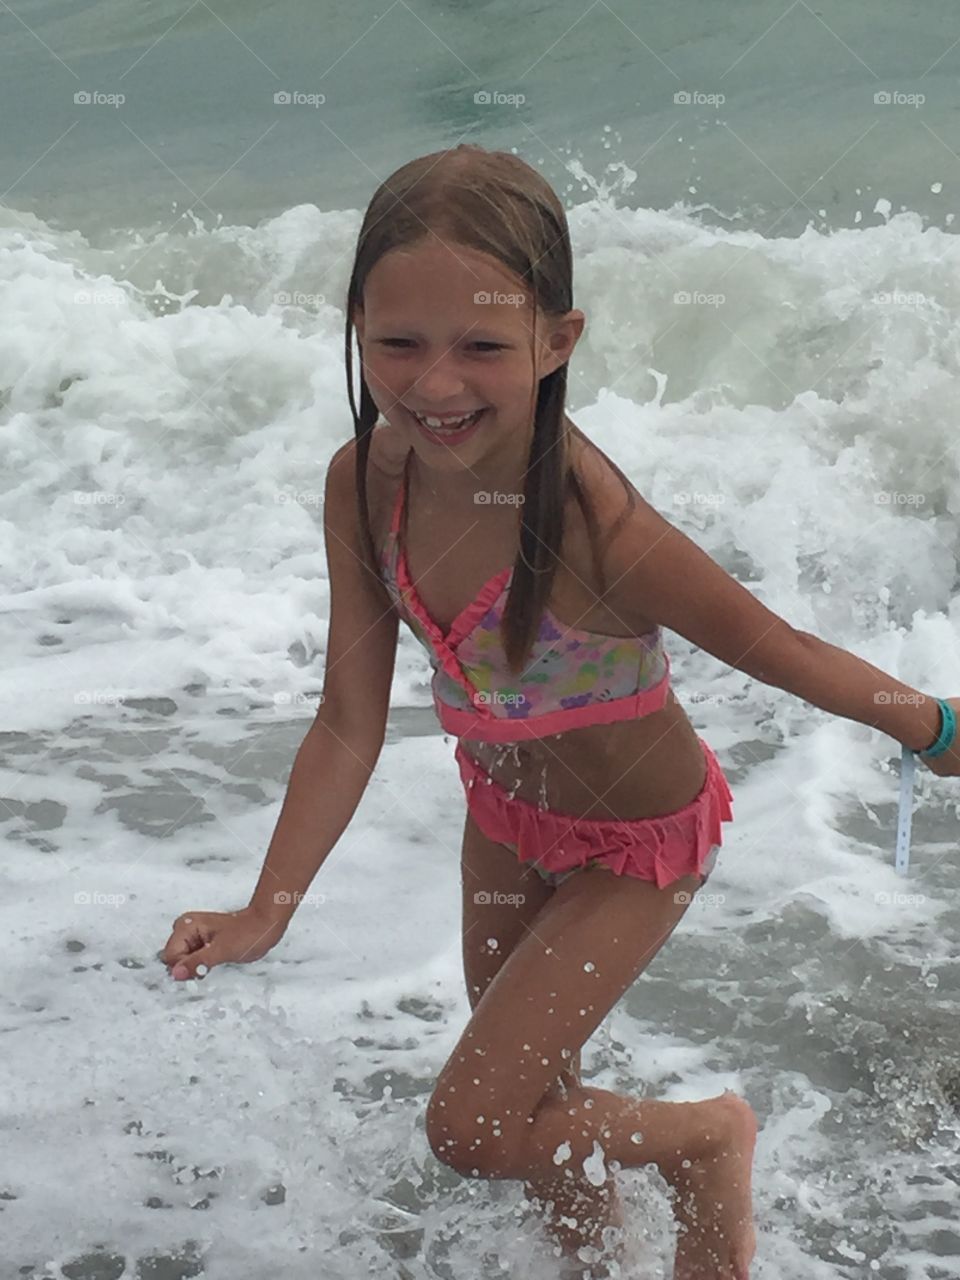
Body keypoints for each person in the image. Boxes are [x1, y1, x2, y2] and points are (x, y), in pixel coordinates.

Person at [161, 144, 960, 1279]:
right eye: (398, 342)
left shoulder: (597, 527)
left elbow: (775, 646)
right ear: (353, 323)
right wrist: (266, 907)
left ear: (557, 341)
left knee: (475, 1126)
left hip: (636, 846)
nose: (435, 385)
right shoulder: (362, 483)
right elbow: (348, 715)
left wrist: (928, 722)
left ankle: (703, 1141)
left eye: (482, 345)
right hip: (504, 815)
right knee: (540, 1101)